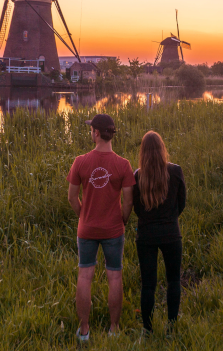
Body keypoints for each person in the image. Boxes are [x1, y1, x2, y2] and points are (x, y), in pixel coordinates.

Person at [67, 114, 135, 342]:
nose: (90, 133)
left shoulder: (80, 161)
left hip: (86, 229)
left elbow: (72, 198)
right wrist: (123, 220)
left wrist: (84, 215)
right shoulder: (123, 165)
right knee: (114, 277)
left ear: (96, 133)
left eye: (91, 130)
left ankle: (84, 330)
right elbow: (128, 202)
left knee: (85, 275)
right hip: (113, 230)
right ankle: (114, 329)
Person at [133, 131, 186, 335]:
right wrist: (170, 218)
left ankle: (147, 329)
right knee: (173, 280)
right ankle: (171, 328)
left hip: (146, 236)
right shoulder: (175, 171)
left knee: (148, 284)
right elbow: (182, 203)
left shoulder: (138, 175)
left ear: (143, 152)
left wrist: (148, 220)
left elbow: (136, 207)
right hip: (171, 233)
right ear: (162, 148)